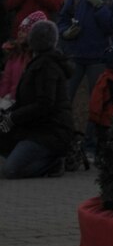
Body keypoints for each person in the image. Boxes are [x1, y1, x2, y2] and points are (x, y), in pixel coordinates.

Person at [0, 19, 75, 179]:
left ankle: (52, 161)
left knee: (11, 170)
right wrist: (7, 115)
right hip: (35, 127)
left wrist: (12, 117)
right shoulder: (37, 63)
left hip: (49, 132)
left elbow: (45, 104)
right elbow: (25, 100)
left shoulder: (46, 66)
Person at [87, 47, 113, 164]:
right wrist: (95, 115)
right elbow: (97, 98)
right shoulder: (106, 79)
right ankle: (102, 157)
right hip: (107, 118)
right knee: (104, 140)